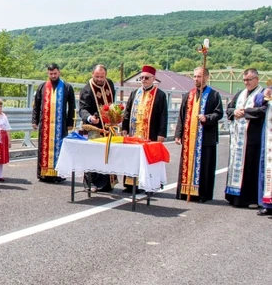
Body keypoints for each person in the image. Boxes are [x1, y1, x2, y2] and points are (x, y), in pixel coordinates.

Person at [174, 67, 223, 203]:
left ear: (206, 77)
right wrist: (178, 133)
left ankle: (202, 194)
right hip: (189, 138)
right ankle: (185, 191)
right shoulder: (188, 95)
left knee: (204, 166)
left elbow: (219, 113)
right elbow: (181, 116)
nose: (196, 79)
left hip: (205, 137)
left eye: (199, 76)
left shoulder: (214, 95)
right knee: (187, 164)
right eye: (195, 76)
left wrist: (206, 118)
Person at [121, 65, 169, 193]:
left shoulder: (160, 95)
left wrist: (161, 133)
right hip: (134, 133)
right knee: (133, 158)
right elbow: (127, 111)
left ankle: (148, 184)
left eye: (146, 78)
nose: (143, 80)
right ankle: (131, 184)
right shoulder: (134, 93)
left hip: (150, 132)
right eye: (141, 78)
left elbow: (164, 115)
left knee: (148, 159)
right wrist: (124, 127)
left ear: (153, 78)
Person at [224, 68, 264, 208]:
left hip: (253, 138)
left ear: (257, 79)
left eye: (249, 80)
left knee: (250, 167)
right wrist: (234, 111)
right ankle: (234, 196)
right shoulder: (240, 94)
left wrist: (245, 112)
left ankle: (250, 199)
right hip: (237, 138)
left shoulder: (262, 94)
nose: (246, 82)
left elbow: (262, 110)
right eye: (245, 80)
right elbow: (229, 108)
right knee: (235, 165)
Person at [32, 63, 75, 183]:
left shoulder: (67, 87)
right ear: (48, 73)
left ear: (59, 72)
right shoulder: (42, 87)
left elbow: (72, 106)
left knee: (60, 148)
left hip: (61, 125)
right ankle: (44, 174)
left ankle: (58, 174)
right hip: (45, 124)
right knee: (43, 148)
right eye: (51, 74)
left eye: (55, 73)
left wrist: (70, 122)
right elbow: (36, 105)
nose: (53, 75)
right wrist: (34, 120)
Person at [78, 64, 117, 192]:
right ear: (92, 74)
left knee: (108, 154)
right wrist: (90, 118)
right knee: (93, 155)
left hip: (108, 127)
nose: (100, 79)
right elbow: (83, 109)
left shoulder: (109, 83)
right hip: (94, 127)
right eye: (97, 76)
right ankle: (91, 183)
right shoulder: (87, 90)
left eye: (102, 76)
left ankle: (106, 183)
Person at [255, 86, 272, 216]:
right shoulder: (269, 88)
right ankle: (267, 204)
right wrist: (265, 96)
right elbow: (258, 100)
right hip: (268, 135)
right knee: (266, 168)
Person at [0, 97, 11, 182]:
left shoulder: (4, 116)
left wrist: (9, 140)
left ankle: (0, 175)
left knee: (0, 158)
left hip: (2, 138)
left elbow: (7, 128)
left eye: (1, 106)